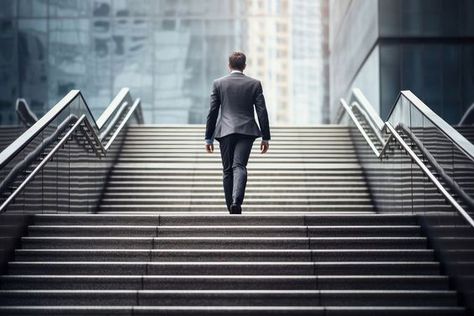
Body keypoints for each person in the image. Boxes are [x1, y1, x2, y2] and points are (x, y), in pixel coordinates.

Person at [204, 51, 271, 215]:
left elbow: (213, 111)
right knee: (239, 166)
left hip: (225, 131)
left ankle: (231, 207)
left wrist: (208, 138)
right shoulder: (254, 84)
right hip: (247, 131)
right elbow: (262, 111)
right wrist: (266, 137)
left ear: (229, 66)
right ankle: (236, 202)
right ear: (245, 66)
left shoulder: (218, 83)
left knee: (227, 170)